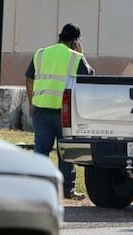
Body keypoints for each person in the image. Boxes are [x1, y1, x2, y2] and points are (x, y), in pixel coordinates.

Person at [26, 23, 94, 201]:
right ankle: (67, 190)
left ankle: (37, 188)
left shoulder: (40, 53)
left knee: (41, 150)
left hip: (40, 108)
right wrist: (82, 55)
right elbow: (89, 77)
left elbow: (29, 77)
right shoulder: (75, 57)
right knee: (66, 152)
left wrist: (31, 102)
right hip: (64, 113)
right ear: (75, 41)